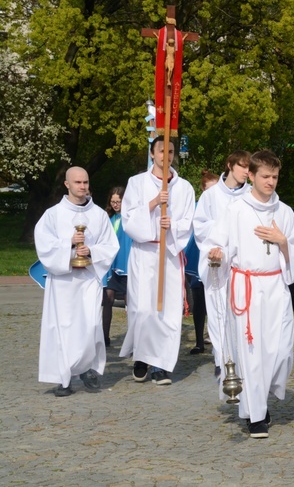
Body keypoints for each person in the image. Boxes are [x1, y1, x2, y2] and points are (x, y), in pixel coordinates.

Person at [205, 149, 294, 439]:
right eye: (265, 176)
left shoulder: (284, 212)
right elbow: (217, 244)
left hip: (275, 287)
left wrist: (282, 241)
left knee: (281, 352)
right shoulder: (236, 210)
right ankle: (255, 416)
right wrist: (216, 253)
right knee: (251, 354)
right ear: (250, 175)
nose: (270, 182)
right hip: (246, 287)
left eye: (275, 176)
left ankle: (260, 399)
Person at [34, 167, 119, 396]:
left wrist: (90, 251)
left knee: (90, 325)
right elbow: (44, 245)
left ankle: (88, 368)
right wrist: (69, 244)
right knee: (64, 328)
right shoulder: (53, 214)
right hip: (63, 281)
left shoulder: (99, 215)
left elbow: (111, 245)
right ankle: (64, 378)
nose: (83, 186)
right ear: (67, 184)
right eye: (78, 182)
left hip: (88, 277)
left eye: (86, 182)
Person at [119, 136, 196, 385]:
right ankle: (142, 356)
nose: (167, 155)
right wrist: (153, 204)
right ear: (153, 154)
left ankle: (161, 364)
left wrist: (172, 224)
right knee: (143, 309)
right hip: (144, 252)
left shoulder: (184, 187)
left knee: (168, 311)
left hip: (170, 254)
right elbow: (128, 218)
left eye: (171, 151)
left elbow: (188, 221)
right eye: (162, 151)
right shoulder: (136, 182)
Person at [193, 152, 252, 380]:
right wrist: (221, 233)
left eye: (249, 168)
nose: (247, 172)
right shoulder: (211, 196)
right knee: (218, 311)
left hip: (241, 260)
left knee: (239, 311)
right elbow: (199, 226)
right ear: (229, 166)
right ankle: (221, 359)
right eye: (242, 166)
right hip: (217, 259)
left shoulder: (251, 195)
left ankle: (241, 358)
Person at [186, 170, 220, 356]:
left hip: (218, 254)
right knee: (198, 297)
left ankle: (217, 340)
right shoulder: (198, 206)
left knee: (217, 297)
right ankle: (199, 340)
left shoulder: (223, 205)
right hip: (199, 251)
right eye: (208, 189)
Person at [101, 186, 133, 348]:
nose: (115, 204)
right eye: (112, 202)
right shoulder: (109, 218)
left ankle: (132, 338)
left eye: (118, 201)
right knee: (108, 299)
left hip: (127, 264)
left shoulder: (129, 218)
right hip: (111, 266)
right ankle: (104, 336)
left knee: (131, 302)